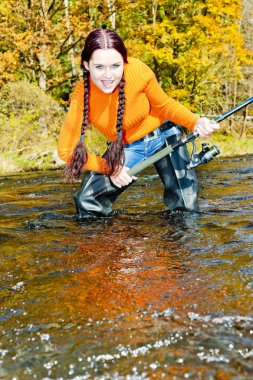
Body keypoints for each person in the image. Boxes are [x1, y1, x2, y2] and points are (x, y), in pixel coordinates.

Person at [57, 28, 219, 217]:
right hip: (126, 148)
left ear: (124, 62)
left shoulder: (138, 70)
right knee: (88, 200)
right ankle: (104, 245)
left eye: (115, 66)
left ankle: (180, 246)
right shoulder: (81, 96)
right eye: (99, 67)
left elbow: (165, 106)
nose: (108, 75)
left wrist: (195, 122)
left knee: (186, 205)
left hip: (165, 135)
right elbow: (66, 151)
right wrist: (110, 168)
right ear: (86, 65)